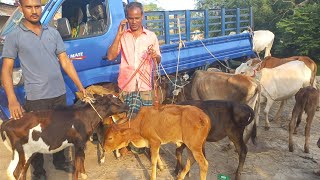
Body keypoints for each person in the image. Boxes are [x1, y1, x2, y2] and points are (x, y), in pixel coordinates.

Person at [1, 0, 86, 179]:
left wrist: (80, 86)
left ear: (41, 7)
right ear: (21, 8)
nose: (34, 11)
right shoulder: (14, 36)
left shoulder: (53, 32)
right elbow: (6, 69)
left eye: (37, 7)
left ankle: (60, 161)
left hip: (59, 94)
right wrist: (12, 99)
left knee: (61, 129)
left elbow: (65, 61)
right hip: (37, 97)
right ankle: (38, 171)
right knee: (35, 137)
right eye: (29, 7)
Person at [107, 1, 161, 118]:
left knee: (146, 121)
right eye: (131, 18)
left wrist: (154, 56)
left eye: (137, 18)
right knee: (127, 121)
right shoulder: (123, 36)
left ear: (142, 16)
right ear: (126, 18)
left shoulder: (151, 36)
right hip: (127, 87)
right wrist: (118, 34)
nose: (134, 21)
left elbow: (158, 60)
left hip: (145, 87)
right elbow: (110, 56)